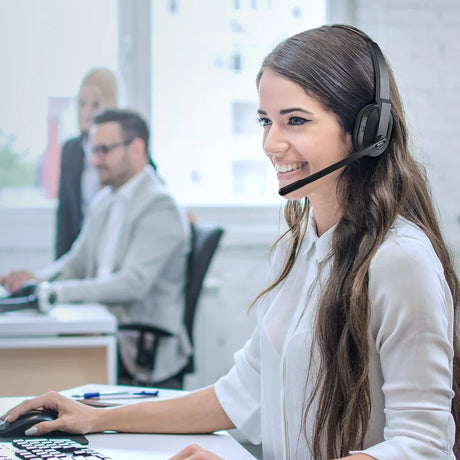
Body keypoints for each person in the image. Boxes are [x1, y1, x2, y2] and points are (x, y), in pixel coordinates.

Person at [2, 25, 458, 460]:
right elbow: (240, 393)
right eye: (265, 121)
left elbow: (423, 447)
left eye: (295, 121)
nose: (271, 144)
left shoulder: (400, 260)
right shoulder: (298, 248)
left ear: (366, 130)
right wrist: (98, 418)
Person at [0, 109, 191, 387]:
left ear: (136, 149)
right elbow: (77, 261)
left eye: (104, 150)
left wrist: (54, 293)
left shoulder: (159, 206)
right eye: (92, 150)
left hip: (136, 345)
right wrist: (38, 280)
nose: (94, 161)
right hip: (103, 327)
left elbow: (132, 284)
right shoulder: (104, 200)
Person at [56, 67, 118, 259]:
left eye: (95, 104)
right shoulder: (71, 150)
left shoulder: (123, 148)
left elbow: (150, 189)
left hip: (113, 253)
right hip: (80, 254)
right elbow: (64, 216)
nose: (87, 112)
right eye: (82, 104)